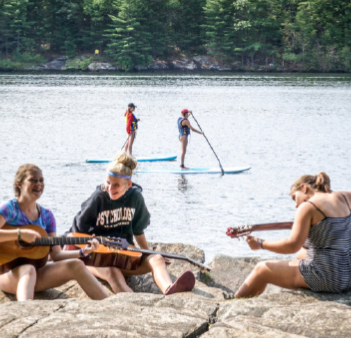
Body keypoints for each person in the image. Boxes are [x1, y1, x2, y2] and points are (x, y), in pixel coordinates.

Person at [67, 152, 195, 295]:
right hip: (94, 260)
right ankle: (134, 304)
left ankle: (169, 289)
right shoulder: (98, 198)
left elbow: (138, 230)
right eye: (108, 183)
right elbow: (75, 233)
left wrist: (148, 253)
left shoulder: (136, 197)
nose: (110, 188)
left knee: (157, 258)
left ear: (128, 184)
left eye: (116, 185)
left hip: (123, 257)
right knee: (112, 272)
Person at [229, 172, 351, 298]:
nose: (296, 205)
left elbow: (291, 246)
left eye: (294, 197)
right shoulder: (347, 196)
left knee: (262, 269)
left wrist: (260, 243)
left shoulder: (308, 206)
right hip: (348, 277)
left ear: (304, 188)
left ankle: (233, 302)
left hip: (330, 280)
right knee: (301, 255)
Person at [0, 164, 109, 301]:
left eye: (41, 180)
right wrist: (20, 235)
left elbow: (56, 254)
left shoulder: (47, 216)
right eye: (33, 180)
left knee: (76, 264)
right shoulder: (9, 209)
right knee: (28, 269)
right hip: (6, 273)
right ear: (19, 184)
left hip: (37, 273)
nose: (39, 184)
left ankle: (108, 305)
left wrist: (82, 252)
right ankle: (26, 313)